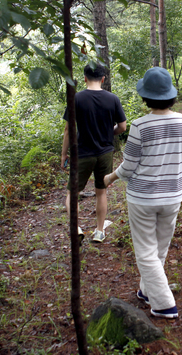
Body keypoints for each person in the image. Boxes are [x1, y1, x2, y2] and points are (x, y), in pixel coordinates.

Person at [104, 67, 182, 319]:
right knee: (159, 248)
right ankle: (147, 290)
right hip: (172, 196)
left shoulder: (140, 126)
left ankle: (165, 303)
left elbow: (129, 166)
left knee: (145, 252)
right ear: (171, 95)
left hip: (143, 198)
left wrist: (110, 177)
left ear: (146, 97)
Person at [61, 63, 127, 243]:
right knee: (101, 193)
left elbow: (68, 130)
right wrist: (108, 133)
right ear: (103, 79)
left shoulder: (76, 99)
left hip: (82, 153)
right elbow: (122, 127)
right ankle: (99, 232)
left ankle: (76, 228)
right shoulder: (112, 99)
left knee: (72, 193)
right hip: (105, 153)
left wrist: (64, 155)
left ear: (84, 78)